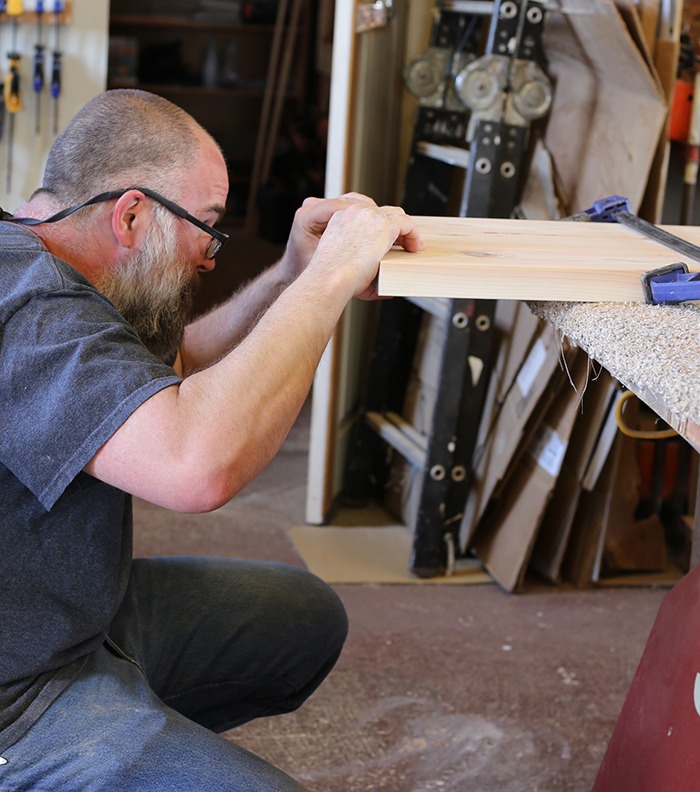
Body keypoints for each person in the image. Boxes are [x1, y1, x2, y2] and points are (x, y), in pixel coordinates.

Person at [0, 88, 423, 790]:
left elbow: (175, 368)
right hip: (16, 694)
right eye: (207, 226)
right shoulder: (27, 307)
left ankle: (123, 726)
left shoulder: (60, 273)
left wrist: (291, 275)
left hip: (68, 616)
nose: (209, 257)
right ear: (132, 215)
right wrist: (330, 278)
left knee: (302, 618)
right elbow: (194, 466)